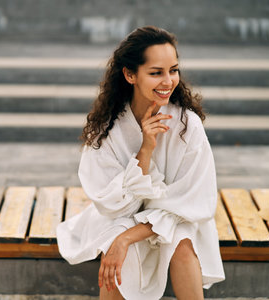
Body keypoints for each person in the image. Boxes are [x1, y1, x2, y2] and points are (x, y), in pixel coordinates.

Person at [56, 26, 225, 299]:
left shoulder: (187, 126)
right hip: (120, 216)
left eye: (174, 70)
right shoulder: (107, 129)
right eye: (156, 72)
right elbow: (114, 206)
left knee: (181, 243)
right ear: (130, 74)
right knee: (117, 248)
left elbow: (191, 203)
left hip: (177, 215)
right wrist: (146, 149)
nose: (168, 81)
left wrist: (128, 237)